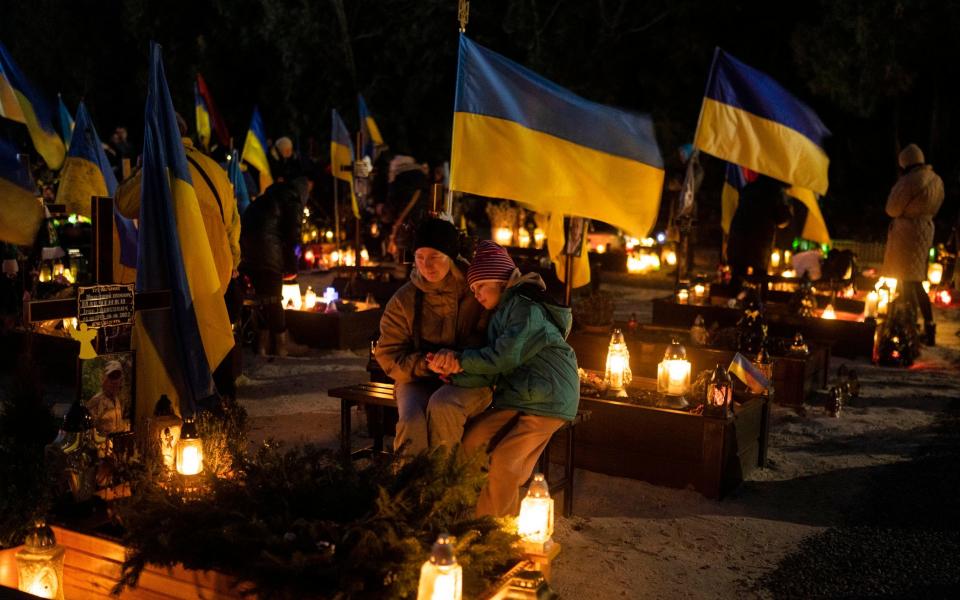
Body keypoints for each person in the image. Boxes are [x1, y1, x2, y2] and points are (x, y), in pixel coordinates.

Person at [430, 241, 579, 517]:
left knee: (505, 461)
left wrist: (461, 361)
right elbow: (494, 368)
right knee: (474, 443)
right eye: (472, 289)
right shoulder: (502, 313)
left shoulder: (525, 308)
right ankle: (471, 508)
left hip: (549, 396)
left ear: (499, 280)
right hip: (519, 394)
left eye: (479, 287)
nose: (476, 295)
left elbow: (502, 357)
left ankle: (493, 531)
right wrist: (455, 374)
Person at [374, 218, 491, 455]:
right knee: (411, 422)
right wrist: (429, 364)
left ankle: (445, 486)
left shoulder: (477, 292)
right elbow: (388, 355)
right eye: (420, 257)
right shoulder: (403, 300)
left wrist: (459, 360)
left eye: (435, 256)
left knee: (444, 406)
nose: (427, 265)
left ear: (451, 256)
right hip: (417, 377)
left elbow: (492, 339)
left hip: (472, 377)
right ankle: (409, 488)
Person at [239, 177, 311, 357]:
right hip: (269, 253)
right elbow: (292, 235)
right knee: (274, 299)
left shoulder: (265, 200)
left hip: (249, 252)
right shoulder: (292, 200)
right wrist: (292, 266)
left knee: (264, 299)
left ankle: (262, 345)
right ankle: (282, 345)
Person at [881, 143, 944, 345]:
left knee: (909, 281)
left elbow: (892, 208)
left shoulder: (910, 181)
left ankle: (908, 326)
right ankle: (927, 325)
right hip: (925, 228)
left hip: (907, 233)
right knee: (915, 281)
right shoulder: (936, 180)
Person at [726, 174, 792, 297]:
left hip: (739, 239)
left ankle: (732, 307)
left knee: (738, 276)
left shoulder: (749, 188)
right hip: (759, 245)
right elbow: (782, 219)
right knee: (760, 280)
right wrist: (787, 204)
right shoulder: (775, 193)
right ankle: (758, 310)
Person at [86, 360, 128, 435]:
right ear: (104, 379)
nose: (114, 381)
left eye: (117, 376)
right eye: (111, 376)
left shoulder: (119, 399)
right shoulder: (95, 401)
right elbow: (88, 430)